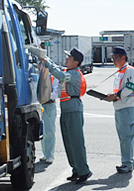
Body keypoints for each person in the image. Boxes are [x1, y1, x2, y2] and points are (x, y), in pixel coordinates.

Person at [39, 48, 92, 184]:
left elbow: (59, 75)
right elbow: (57, 69)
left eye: (69, 57)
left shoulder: (74, 74)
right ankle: (76, 169)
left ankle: (84, 171)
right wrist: (46, 60)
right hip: (66, 110)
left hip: (73, 110)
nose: (66, 59)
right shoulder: (68, 71)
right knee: (69, 142)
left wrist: (48, 63)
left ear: (76, 62)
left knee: (76, 142)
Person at [105, 46, 134, 173]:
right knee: (125, 137)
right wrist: (111, 95)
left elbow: (129, 88)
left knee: (126, 137)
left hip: (126, 108)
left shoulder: (129, 70)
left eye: (115, 58)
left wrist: (116, 96)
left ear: (123, 58)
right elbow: (120, 89)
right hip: (120, 107)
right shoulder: (121, 71)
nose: (113, 60)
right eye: (112, 58)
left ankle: (127, 163)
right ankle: (130, 161)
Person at [40, 75, 59, 164]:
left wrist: (44, 94)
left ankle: (50, 154)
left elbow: (55, 94)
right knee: (43, 131)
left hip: (49, 105)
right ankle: (45, 153)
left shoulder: (53, 77)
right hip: (40, 105)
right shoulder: (39, 75)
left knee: (50, 130)